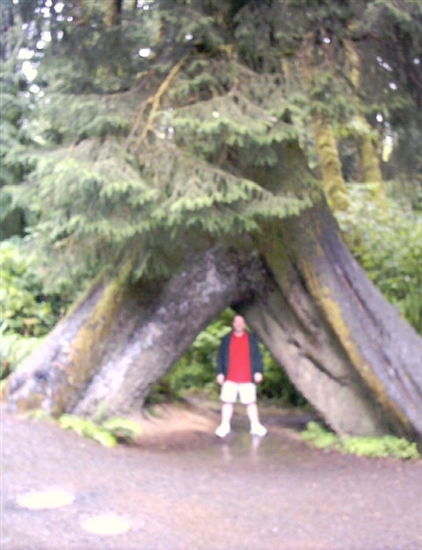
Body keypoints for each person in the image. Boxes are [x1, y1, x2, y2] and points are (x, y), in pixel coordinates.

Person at [215, 314, 267, 438]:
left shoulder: (251, 339)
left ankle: (255, 426)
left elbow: (257, 356)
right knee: (227, 402)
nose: (239, 324)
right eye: (236, 322)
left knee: (250, 402)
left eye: (241, 322)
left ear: (244, 324)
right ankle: (224, 425)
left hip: (247, 376)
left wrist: (259, 371)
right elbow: (220, 357)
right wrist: (220, 373)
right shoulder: (226, 339)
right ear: (233, 324)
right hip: (230, 376)